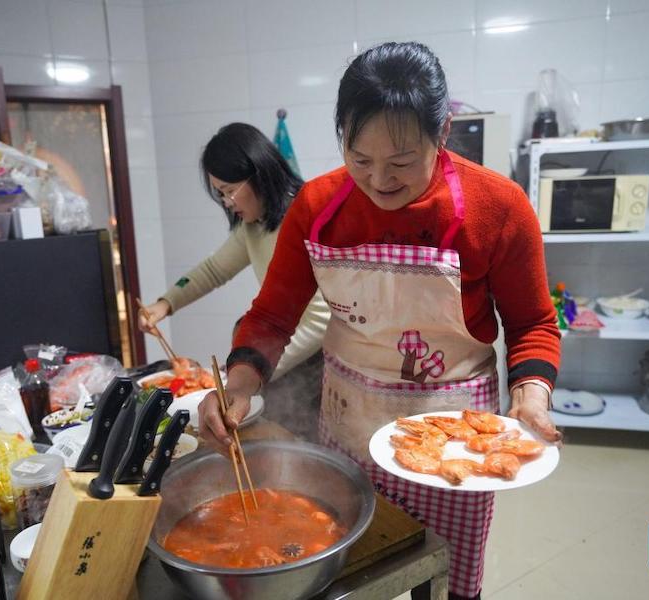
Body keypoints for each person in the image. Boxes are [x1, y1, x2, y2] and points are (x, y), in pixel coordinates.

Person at [198, 43, 562, 600]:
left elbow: (533, 321)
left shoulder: (497, 208)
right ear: (341, 133)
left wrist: (531, 395)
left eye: (401, 162)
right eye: (359, 158)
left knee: (445, 576)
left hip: (452, 435)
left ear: (442, 135)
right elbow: (273, 314)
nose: (379, 181)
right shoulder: (317, 207)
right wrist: (239, 384)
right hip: (351, 419)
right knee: (353, 566)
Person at [138, 122, 330, 441]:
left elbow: (321, 320)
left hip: (315, 366)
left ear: (259, 174)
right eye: (221, 193)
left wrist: (253, 370)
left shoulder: (301, 216)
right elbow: (215, 269)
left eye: (230, 190)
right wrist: (165, 303)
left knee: (304, 447)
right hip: (277, 359)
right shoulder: (254, 226)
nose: (227, 202)